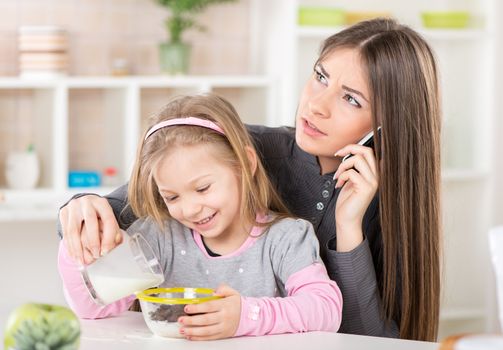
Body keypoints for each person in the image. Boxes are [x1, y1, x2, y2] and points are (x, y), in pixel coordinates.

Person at [58, 18, 441, 341]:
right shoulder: (250, 147)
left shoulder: (392, 201)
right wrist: (84, 211)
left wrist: (348, 226)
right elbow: (119, 214)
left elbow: (367, 341)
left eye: (350, 99)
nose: (316, 105)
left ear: (385, 123)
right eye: (320, 77)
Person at [58, 94, 343, 340]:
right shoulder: (159, 238)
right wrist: (78, 245)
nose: (190, 208)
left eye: (203, 188)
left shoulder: (285, 239)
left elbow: (325, 309)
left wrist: (245, 316)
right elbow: (92, 307)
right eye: (172, 197)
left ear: (246, 164)